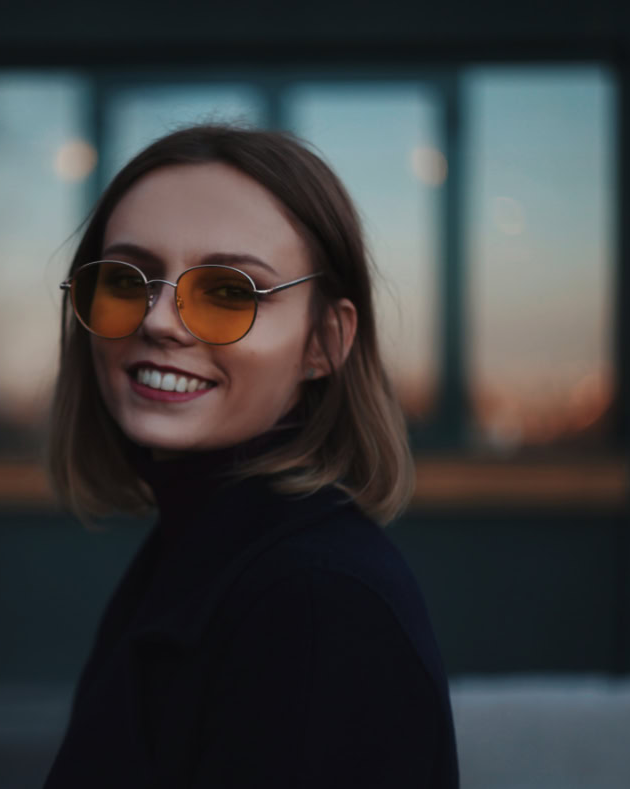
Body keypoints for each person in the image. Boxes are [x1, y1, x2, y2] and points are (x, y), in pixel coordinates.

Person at [42, 123, 459, 788]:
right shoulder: (193, 550)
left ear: (326, 340)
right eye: (128, 278)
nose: (157, 320)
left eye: (229, 290)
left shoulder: (318, 606)